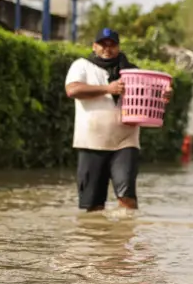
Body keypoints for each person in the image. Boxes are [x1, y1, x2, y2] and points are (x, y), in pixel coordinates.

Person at [64, 28, 171, 212]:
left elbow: (153, 95)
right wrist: (108, 89)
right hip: (91, 141)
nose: (107, 48)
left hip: (125, 141)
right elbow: (72, 90)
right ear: (94, 46)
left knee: (127, 197)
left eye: (112, 44)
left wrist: (165, 94)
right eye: (102, 44)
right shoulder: (81, 65)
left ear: (118, 47)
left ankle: (125, 236)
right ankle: (97, 238)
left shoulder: (133, 71)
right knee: (92, 206)